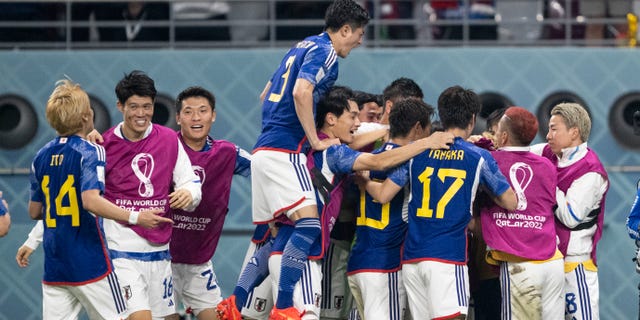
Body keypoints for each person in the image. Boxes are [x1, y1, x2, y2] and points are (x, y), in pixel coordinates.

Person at [217, 86, 454, 320]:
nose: (357, 122)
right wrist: (425, 143)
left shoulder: (305, 149)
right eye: (352, 116)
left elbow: (269, 246)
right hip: (303, 261)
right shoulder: (333, 153)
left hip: (281, 254)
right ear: (331, 119)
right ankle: (280, 305)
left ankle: (237, 302)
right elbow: (378, 162)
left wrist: (238, 294)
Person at [246, 0, 369, 317]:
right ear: (344, 29)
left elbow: (265, 95)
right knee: (309, 224)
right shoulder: (326, 52)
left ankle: (236, 300)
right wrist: (314, 139)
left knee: (279, 231)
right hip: (286, 150)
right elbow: (302, 92)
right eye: (359, 34)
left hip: (265, 146)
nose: (360, 41)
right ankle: (284, 305)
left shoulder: (299, 47)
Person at [363, 85, 518, 319]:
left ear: (442, 116)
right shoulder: (477, 156)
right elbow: (510, 202)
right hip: (447, 257)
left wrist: (361, 179)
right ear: (473, 118)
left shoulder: (416, 153)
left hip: (413, 260)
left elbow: (384, 194)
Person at [28, 79, 170, 320]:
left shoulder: (40, 156)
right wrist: (136, 217)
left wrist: (31, 241)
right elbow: (91, 201)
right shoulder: (92, 151)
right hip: (90, 261)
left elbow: (35, 211)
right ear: (86, 117)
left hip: (55, 265)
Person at [96, 70, 202, 320]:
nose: (141, 114)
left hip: (160, 252)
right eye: (133, 107)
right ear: (120, 106)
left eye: (147, 106)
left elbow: (190, 181)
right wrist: (134, 217)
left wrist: (188, 193)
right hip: (120, 252)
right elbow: (92, 200)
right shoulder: (103, 145)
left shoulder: (168, 139)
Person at [347, 98, 434, 320]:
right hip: (386, 264)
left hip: (359, 262)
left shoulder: (369, 159)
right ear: (417, 128)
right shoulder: (407, 161)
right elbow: (385, 194)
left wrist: (364, 182)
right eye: (428, 128)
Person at [169, 86, 251, 320]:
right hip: (162, 261)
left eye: (203, 111)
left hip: (199, 262)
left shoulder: (227, 153)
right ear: (178, 118)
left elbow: (265, 169)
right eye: (188, 112)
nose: (196, 118)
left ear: (213, 115)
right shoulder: (163, 147)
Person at [479, 106, 564, 319]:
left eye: (498, 130)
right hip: (553, 261)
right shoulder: (546, 166)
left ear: (504, 136)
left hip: (520, 263)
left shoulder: (490, 161)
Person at [530, 102, 609, 320]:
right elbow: (521, 155)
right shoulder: (548, 153)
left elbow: (570, 217)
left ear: (574, 132)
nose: (547, 136)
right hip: (548, 262)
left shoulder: (591, 171)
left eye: (554, 129)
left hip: (576, 267)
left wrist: (546, 178)